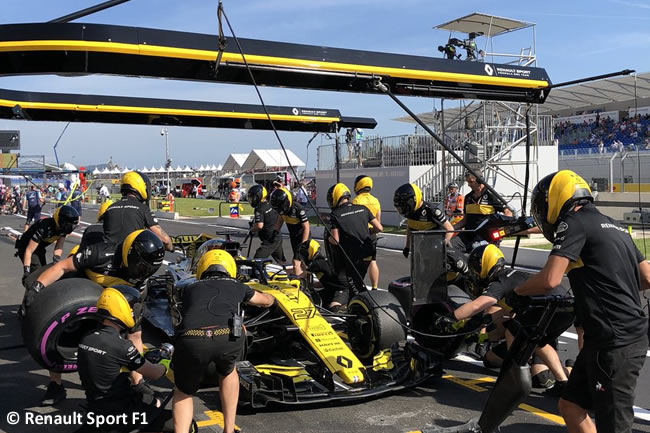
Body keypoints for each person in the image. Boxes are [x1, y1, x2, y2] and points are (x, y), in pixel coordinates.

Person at [514, 169, 650, 433]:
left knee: (614, 425)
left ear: (555, 199)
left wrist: (517, 291)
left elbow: (550, 279)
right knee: (570, 405)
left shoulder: (573, 222)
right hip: (614, 336)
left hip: (613, 341)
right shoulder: (615, 225)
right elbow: (646, 277)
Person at [28, 229, 165, 406]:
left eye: (148, 268)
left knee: (135, 332)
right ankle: (55, 384)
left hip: (112, 301)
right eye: (140, 265)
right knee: (58, 335)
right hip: (79, 291)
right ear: (129, 254)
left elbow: (135, 332)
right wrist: (37, 288)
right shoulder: (101, 253)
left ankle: (137, 383)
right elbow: (61, 267)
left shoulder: (141, 278)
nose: (142, 271)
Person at [438, 244, 572, 393]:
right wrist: (480, 338)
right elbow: (503, 323)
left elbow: (479, 304)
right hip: (561, 308)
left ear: (484, 265)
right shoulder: (512, 277)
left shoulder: (499, 283)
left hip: (549, 311)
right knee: (490, 359)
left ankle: (539, 378)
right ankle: (562, 370)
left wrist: (450, 318)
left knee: (538, 369)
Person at [172, 249, 275, 433]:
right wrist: (273, 295)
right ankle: (228, 429)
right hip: (226, 337)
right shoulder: (238, 286)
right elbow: (265, 301)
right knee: (228, 372)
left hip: (192, 339)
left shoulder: (189, 288)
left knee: (183, 391)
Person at [76, 286, 179, 433]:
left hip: (95, 407)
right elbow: (155, 373)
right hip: (120, 413)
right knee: (177, 417)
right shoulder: (121, 346)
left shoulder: (87, 338)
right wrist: (165, 359)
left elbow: (107, 365)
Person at [327, 183, 382, 305]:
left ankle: (367, 308)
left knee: (355, 287)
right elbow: (379, 227)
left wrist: (327, 239)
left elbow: (335, 240)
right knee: (357, 282)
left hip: (353, 257)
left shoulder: (335, 215)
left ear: (335, 197)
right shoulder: (363, 208)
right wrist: (367, 231)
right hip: (368, 252)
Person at [102, 171, 173, 252]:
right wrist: (172, 248)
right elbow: (165, 240)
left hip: (108, 258)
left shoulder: (110, 207)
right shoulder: (142, 209)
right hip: (129, 258)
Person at [15, 205, 79, 285]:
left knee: (45, 273)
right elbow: (29, 250)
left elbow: (59, 245)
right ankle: (31, 294)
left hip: (39, 248)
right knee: (37, 275)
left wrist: (56, 260)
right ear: (60, 221)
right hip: (26, 247)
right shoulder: (44, 227)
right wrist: (26, 271)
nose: (69, 228)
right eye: (68, 225)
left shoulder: (63, 228)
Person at [452, 171, 513, 252]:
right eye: (467, 182)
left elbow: (508, 212)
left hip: (486, 237)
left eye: (471, 181)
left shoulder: (491, 195)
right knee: (448, 246)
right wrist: (449, 228)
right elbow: (464, 220)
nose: (469, 184)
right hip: (468, 235)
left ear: (480, 180)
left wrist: (502, 229)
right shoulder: (468, 197)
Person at [393, 183, 455, 258]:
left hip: (439, 245)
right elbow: (410, 228)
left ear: (414, 200)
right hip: (425, 245)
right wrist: (407, 247)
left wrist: (441, 245)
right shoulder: (411, 212)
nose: (403, 209)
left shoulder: (431, 210)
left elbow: (450, 229)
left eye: (405, 205)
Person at [269, 187, 310, 275]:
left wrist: (304, 244)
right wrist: (275, 231)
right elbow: (280, 219)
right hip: (293, 238)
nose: (280, 210)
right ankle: (305, 280)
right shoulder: (282, 211)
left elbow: (306, 227)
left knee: (296, 263)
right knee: (302, 264)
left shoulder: (299, 209)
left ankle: (299, 284)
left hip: (303, 238)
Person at [351, 175, 381, 290]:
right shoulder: (376, 201)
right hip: (372, 235)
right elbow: (378, 222)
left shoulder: (356, 201)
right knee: (373, 261)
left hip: (360, 235)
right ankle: (374, 287)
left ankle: (357, 287)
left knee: (358, 263)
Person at [300, 239, 349, 310]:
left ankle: (347, 306)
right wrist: (314, 285)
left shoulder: (316, 264)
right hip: (331, 289)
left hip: (342, 289)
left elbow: (304, 278)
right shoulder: (321, 261)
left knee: (334, 308)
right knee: (312, 301)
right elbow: (326, 281)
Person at [248, 184, 285, 263]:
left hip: (270, 240)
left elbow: (259, 226)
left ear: (259, 196)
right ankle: (292, 273)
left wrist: (251, 229)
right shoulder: (270, 204)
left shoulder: (259, 209)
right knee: (281, 261)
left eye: (253, 197)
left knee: (256, 261)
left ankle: (259, 275)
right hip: (276, 236)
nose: (252, 200)